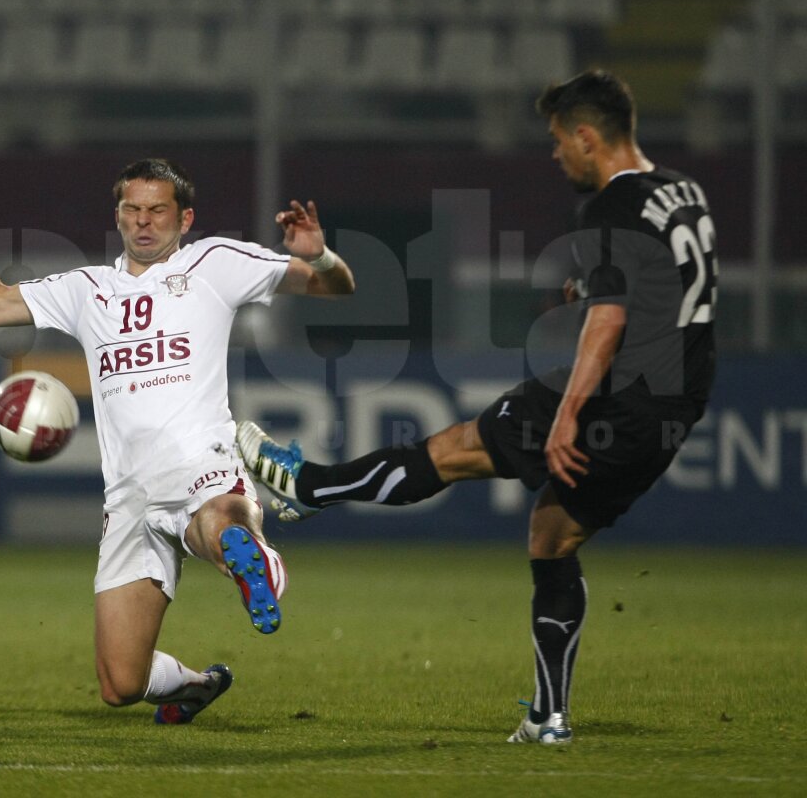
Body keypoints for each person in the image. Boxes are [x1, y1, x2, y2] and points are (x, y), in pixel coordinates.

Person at [238, 70, 717, 744]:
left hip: (618, 391)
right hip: (676, 401)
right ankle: (549, 718)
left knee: (455, 449)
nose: (555, 155)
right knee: (552, 536)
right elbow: (675, 285)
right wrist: (595, 286)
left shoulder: (610, 206)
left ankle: (312, 485)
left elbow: (609, 322)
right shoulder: (682, 192)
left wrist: (573, 411)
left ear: (587, 136)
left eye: (558, 142)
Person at [0, 158, 355, 724]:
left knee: (221, 523)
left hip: (199, 463)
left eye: (157, 210)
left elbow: (334, 287)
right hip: (129, 498)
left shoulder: (215, 263)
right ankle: (196, 684)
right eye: (132, 210)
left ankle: (252, 561)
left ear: (185, 218)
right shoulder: (89, 290)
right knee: (120, 683)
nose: (143, 222)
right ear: (118, 216)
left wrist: (320, 255)